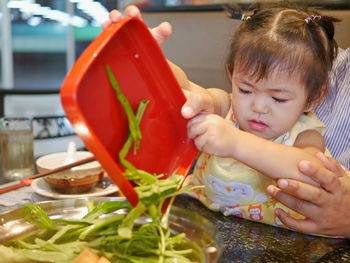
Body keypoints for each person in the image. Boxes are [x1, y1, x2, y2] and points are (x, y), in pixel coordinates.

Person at [104, 4, 349, 235]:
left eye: (279, 99)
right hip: (206, 222)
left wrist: (236, 143)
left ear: (313, 98)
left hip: (272, 240)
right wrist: (146, 57)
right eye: (246, 89)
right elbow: (185, 90)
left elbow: (309, 172)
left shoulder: (305, 132)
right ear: (232, 74)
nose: (258, 107)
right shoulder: (226, 106)